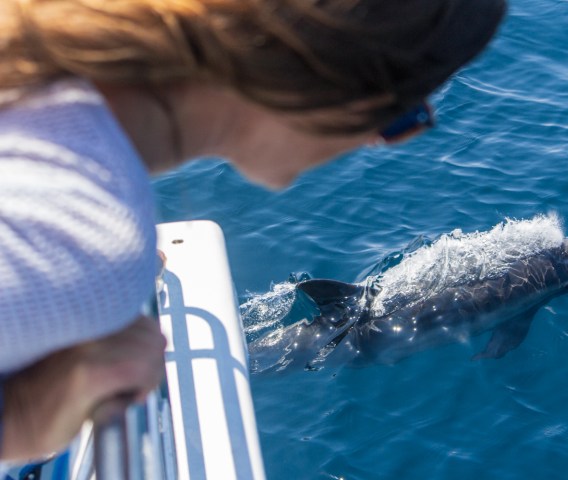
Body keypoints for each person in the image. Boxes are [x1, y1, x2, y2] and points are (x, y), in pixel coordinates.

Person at [0, 0, 506, 464]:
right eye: (405, 117)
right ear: (332, 84)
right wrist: (30, 414)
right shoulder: (82, 241)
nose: (385, 144)